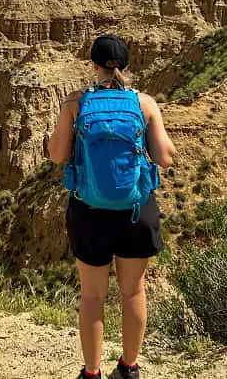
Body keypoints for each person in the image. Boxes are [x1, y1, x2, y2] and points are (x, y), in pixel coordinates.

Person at [47, 35, 176, 379]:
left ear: (93, 65)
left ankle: (91, 373)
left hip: (89, 212)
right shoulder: (144, 103)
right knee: (133, 290)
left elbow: (58, 155)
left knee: (92, 297)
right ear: (127, 66)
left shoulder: (75, 103)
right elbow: (164, 158)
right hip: (136, 211)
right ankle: (129, 368)